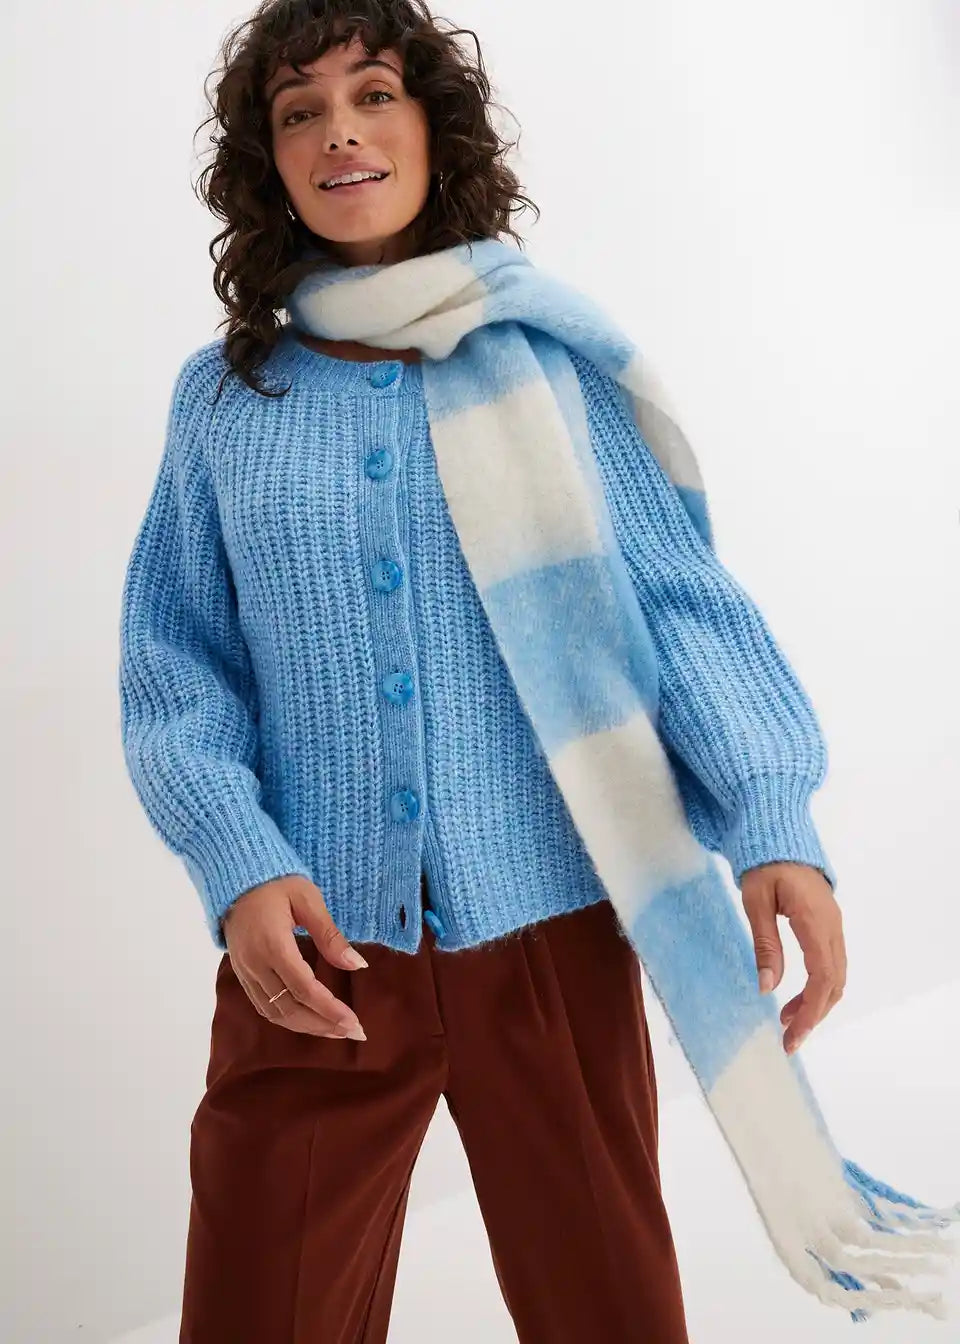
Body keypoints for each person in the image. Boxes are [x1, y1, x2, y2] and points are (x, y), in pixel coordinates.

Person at [118, 2, 847, 1340]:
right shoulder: (225, 400)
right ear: (269, 163)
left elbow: (679, 608)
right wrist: (237, 861)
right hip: (317, 947)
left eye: (373, 94)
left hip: (552, 925)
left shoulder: (550, 368)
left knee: (609, 1309)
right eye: (298, 112)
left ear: (431, 126)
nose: (339, 132)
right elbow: (176, 666)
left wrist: (771, 817)